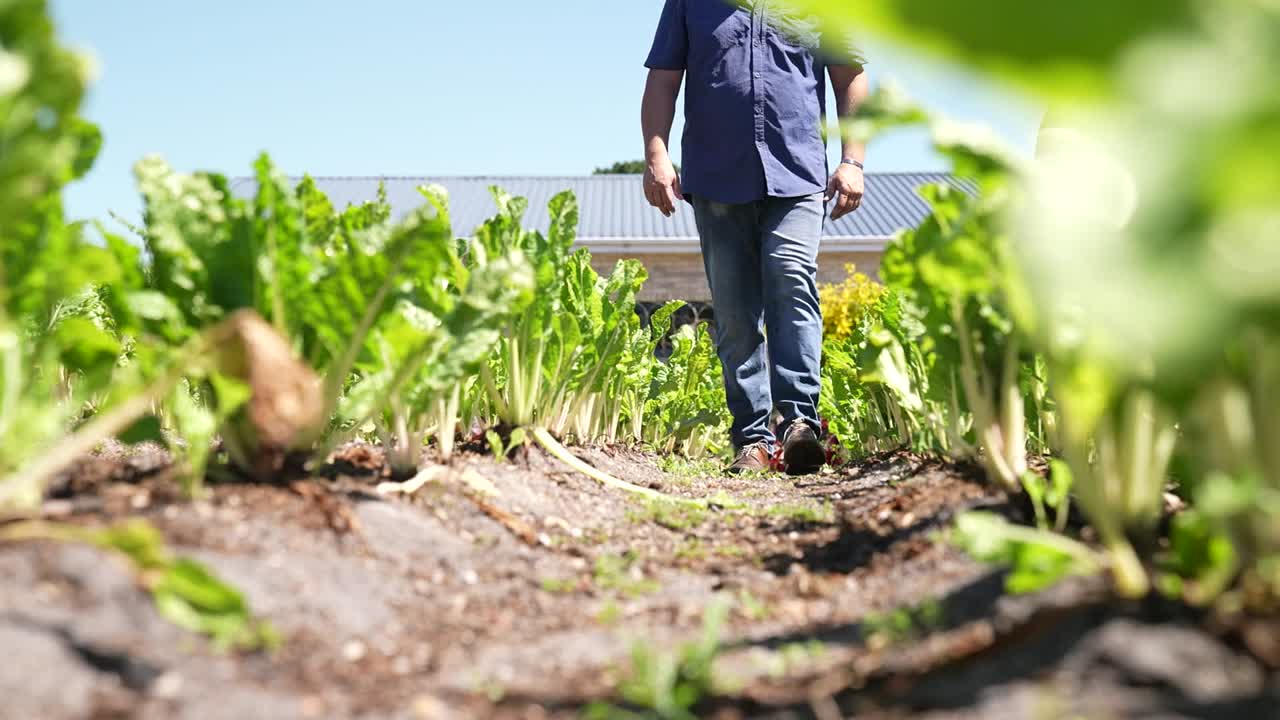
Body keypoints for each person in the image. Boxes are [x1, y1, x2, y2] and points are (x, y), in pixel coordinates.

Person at [640, 0, 868, 475]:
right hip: (716, 177)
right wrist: (656, 155)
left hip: (799, 173)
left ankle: (800, 425)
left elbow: (849, 76)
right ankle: (752, 439)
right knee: (735, 309)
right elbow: (664, 78)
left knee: (791, 276)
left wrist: (852, 160)